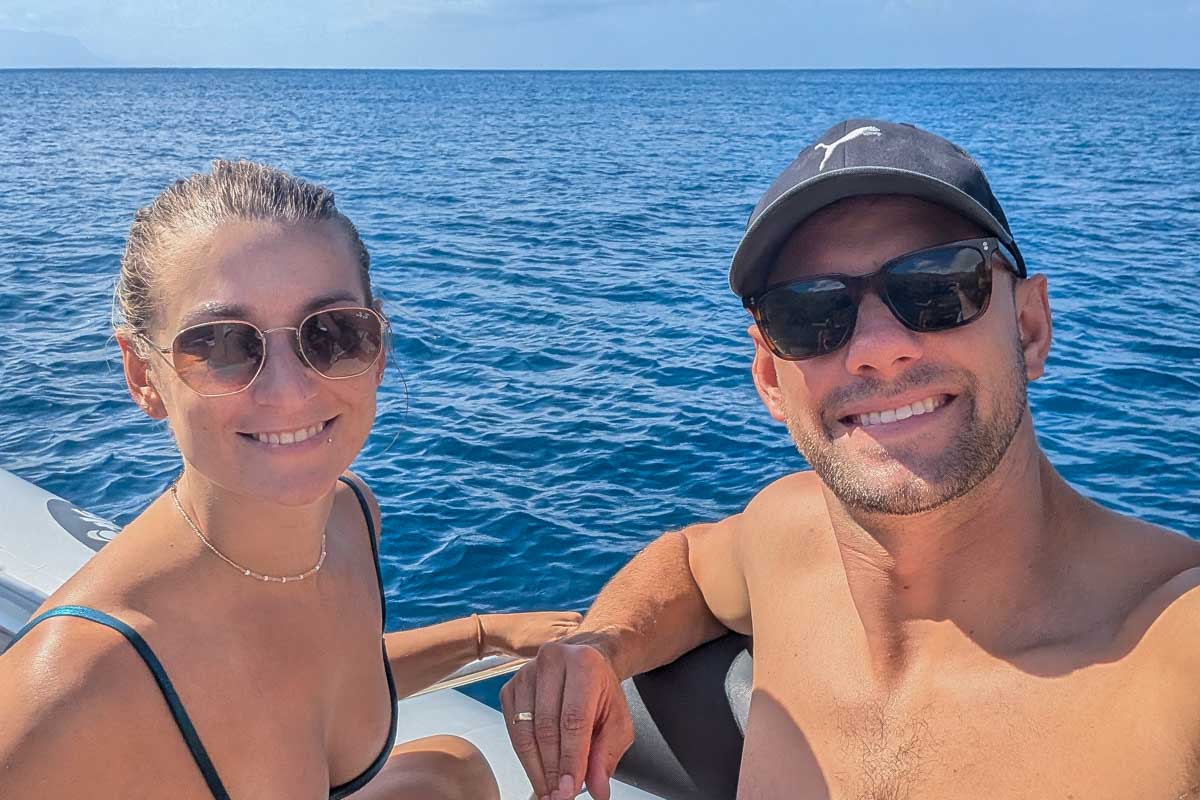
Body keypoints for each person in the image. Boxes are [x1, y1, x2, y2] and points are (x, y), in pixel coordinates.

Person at [500, 120, 1200, 800]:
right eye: (809, 314)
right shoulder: (789, 532)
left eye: (937, 287)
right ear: (772, 383)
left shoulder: (1171, 648)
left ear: (1029, 326)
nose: (875, 346)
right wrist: (602, 647)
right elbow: (688, 562)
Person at [0, 160, 582, 799]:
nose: (290, 389)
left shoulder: (351, 515)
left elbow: (310, 680)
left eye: (333, 334)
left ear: (379, 346)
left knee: (452, 769)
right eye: (222, 344)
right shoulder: (74, 684)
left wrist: (479, 634)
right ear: (143, 375)